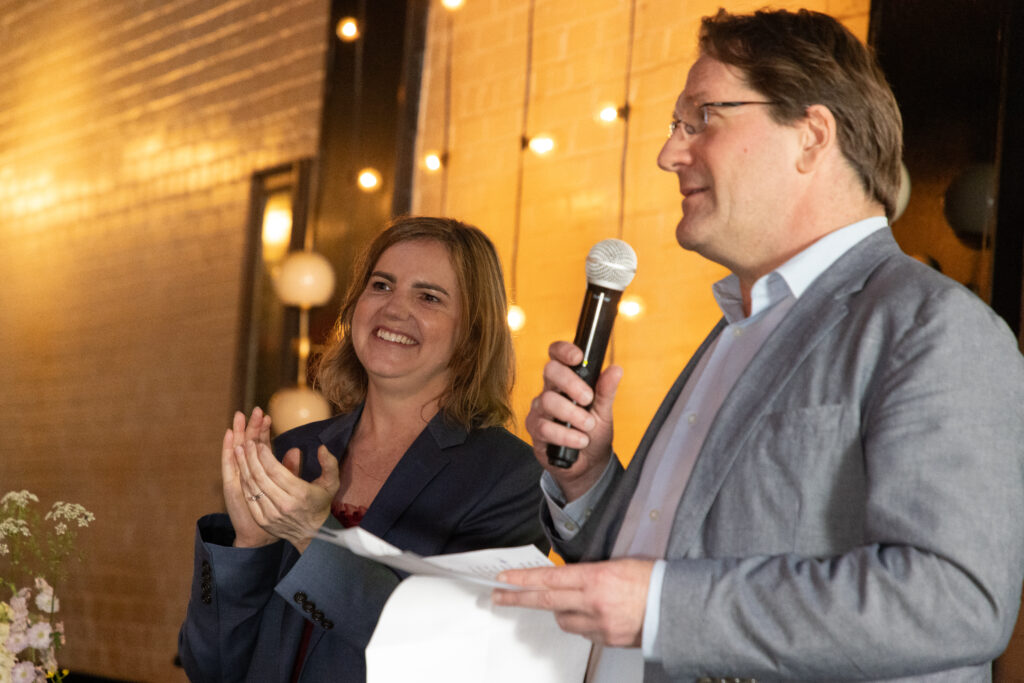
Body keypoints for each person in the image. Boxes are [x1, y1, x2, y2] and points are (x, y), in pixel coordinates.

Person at [494, 8, 1024, 683]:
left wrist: (660, 607)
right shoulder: (738, 326)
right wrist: (588, 478)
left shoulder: (933, 326)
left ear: (810, 135)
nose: (669, 153)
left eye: (702, 118)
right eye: (674, 126)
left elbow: (954, 599)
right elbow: (663, 563)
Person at [179, 216, 545, 682]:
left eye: (428, 296)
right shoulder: (295, 454)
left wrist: (315, 533)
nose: (394, 309)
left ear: (473, 333)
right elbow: (210, 668)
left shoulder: (511, 477)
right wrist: (251, 546)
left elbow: (448, 657)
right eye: (382, 285)